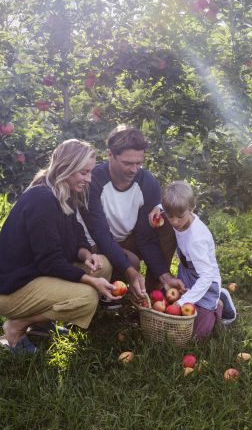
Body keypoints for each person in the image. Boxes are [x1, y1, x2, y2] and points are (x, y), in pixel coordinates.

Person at [0, 139, 119, 354]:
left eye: (90, 172)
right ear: (66, 168)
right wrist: (90, 280)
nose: (89, 179)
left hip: (35, 274)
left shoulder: (63, 192)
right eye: (84, 172)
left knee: (103, 266)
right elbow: (50, 261)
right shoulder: (42, 200)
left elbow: (76, 233)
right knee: (87, 297)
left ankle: (40, 324)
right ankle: (16, 325)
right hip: (8, 287)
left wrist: (85, 255)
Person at [79, 124, 185, 303]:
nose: (134, 170)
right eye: (127, 163)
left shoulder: (147, 184)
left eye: (139, 163)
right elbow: (100, 234)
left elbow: (146, 238)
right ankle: (111, 288)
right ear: (110, 155)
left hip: (127, 238)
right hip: (95, 244)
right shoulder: (93, 181)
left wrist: (164, 274)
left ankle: (152, 292)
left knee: (166, 222)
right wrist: (130, 270)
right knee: (132, 261)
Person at [161, 181, 237, 340]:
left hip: (206, 280)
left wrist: (182, 302)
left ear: (192, 208)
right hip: (187, 270)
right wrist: (157, 209)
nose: (174, 221)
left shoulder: (196, 239)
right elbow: (166, 207)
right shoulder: (178, 211)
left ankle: (219, 302)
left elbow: (206, 276)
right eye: (170, 216)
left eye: (179, 217)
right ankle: (205, 300)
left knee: (198, 336)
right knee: (179, 319)